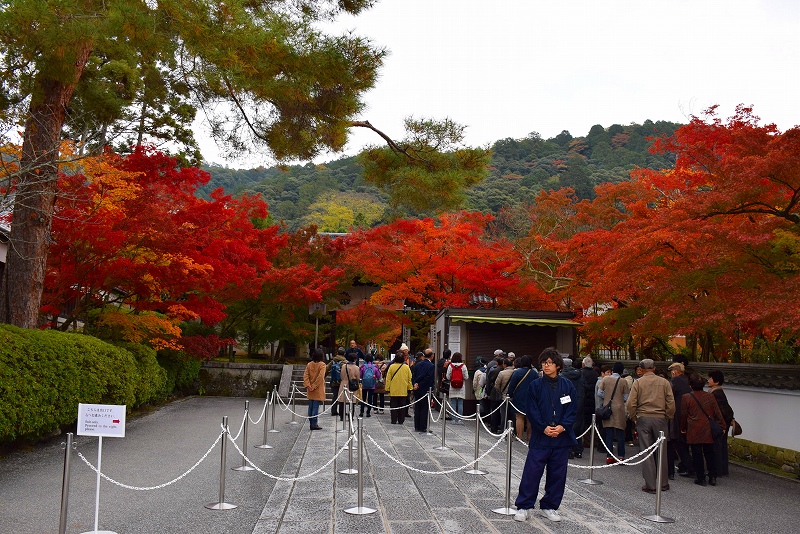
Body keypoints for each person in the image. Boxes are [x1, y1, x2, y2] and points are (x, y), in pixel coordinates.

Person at [514, 348, 577, 524]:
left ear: (558, 365)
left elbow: (572, 409)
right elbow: (531, 409)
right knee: (532, 472)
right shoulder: (535, 385)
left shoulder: (567, 385)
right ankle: (524, 505)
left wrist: (563, 426)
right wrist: (543, 427)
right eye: (543, 363)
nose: (546, 366)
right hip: (541, 437)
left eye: (549, 363)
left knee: (558, 474)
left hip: (561, 437)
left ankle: (549, 506)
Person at [625, 359, 675, 494]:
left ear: (641, 369)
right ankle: (663, 482)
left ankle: (651, 484)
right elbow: (671, 402)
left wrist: (634, 417)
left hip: (644, 417)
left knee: (646, 451)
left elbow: (631, 403)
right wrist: (668, 416)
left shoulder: (639, 382)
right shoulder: (664, 382)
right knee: (662, 451)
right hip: (660, 418)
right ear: (654, 368)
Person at [681, 374, 726, 486]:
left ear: (690, 385)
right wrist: (722, 425)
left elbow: (683, 415)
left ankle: (700, 478)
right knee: (710, 453)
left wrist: (683, 428)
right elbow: (717, 412)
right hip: (707, 428)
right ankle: (712, 477)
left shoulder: (686, 397)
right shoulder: (710, 396)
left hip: (694, 428)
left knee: (697, 454)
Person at [597, 361, 631, 463]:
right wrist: (619, 399)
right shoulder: (623, 381)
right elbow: (626, 397)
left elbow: (600, 393)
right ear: (621, 371)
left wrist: (607, 398)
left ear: (613, 370)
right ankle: (621, 456)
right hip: (620, 409)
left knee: (609, 433)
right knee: (620, 433)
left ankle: (609, 456)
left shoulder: (606, 379)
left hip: (608, 408)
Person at [668, 362, 694, 479]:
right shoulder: (688, 380)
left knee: (679, 441)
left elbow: (669, 396)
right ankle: (685, 464)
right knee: (686, 441)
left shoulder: (676, 381)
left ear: (675, 371)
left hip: (678, 414)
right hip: (690, 414)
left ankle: (688, 466)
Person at [707, 370, 734, 476]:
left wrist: (721, 424)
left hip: (720, 423)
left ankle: (718, 470)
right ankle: (722, 469)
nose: (708, 380)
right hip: (724, 422)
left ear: (716, 381)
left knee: (717, 447)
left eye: (710, 378)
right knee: (722, 446)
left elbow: (720, 410)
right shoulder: (718, 391)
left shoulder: (715, 393)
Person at [506, 355, 535, 442]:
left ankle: (519, 435)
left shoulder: (517, 372)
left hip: (519, 396)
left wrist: (509, 394)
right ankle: (529, 436)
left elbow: (512, 385)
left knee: (519, 416)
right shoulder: (534, 373)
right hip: (532, 397)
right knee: (530, 417)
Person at [560, 358, 584, 458]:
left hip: (567, 403)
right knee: (578, 428)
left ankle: (568, 450)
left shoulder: (562, 376)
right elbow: (584, 387)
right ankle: (578, 450)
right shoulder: (580, 375)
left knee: (567, 426)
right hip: (579, 402)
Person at [384, 352, 412, 424]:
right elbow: (409, 378)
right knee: (402, 406)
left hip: (393, 390)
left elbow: (388, 378)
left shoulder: (391, 366)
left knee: (393, 406)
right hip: (403, 389)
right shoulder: (406, 367)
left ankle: (393, 419)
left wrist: (387, 388)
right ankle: (401, 420)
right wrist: (409, 388)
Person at [412, 349, 436, 432]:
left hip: (417, 389)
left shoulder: (418, 364)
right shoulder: (431, 366)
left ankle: (417, 426)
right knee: (424, 409)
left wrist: (415, 384)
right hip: (425, 389)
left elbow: (414, 375)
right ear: (432, 356)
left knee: (417, 408)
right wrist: (420, 385)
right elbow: (428, 378)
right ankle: (423, 426)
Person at [303, 348, 326, 430]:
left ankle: (311, 422)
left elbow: (305, 375)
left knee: (311, 406)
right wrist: (314, 386)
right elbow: (321, 377)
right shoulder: (322, 365)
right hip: (317, 388)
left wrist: (308, 385)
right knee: (315, 407)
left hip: (310, 389)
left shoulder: (309, 364)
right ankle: (314, 423)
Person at [579, 356, 598, 454]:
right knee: (593, 422)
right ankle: (594, 440)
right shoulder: (595, 374)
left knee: (585, 422)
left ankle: (586, 441)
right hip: (594, 400)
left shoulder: (581, 373)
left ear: (583, 364)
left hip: (584, 400)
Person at [446, 352, 469, 424]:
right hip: (461, 386)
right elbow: (466, 377)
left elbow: (448, 376)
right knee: (460, 403)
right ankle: (459, 419)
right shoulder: (463, 366)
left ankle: (453, 419)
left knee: (453, 402)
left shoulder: (450, 366)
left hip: (452, 386)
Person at [337, 353, 360, 423]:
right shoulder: (356, 368)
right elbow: (358, 377)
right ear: (354, 359)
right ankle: (351, 416)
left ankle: (341, 416)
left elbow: (341, 375)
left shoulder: (344, 366)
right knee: (352, 401)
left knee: (342, 400)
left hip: (343, 383)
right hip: (352, 385)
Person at [359, 353, 381, 418]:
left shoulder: (363, 366)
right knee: (370, 398)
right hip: (372, 385)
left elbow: (360, 375)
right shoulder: (375, 367)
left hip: (364, 384)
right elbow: (379, 376)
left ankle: (361, 411)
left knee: (363, 398)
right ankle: (368, 412)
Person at [327, 347, 346, 417]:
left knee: (335, 396)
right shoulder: (345, 362)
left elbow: (326, 369)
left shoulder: (333, 361)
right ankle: (342, 412)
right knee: (342, 397)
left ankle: (333, 411)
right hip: (342, 382)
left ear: (337, 353)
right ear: (344, 354)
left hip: (334, 381)